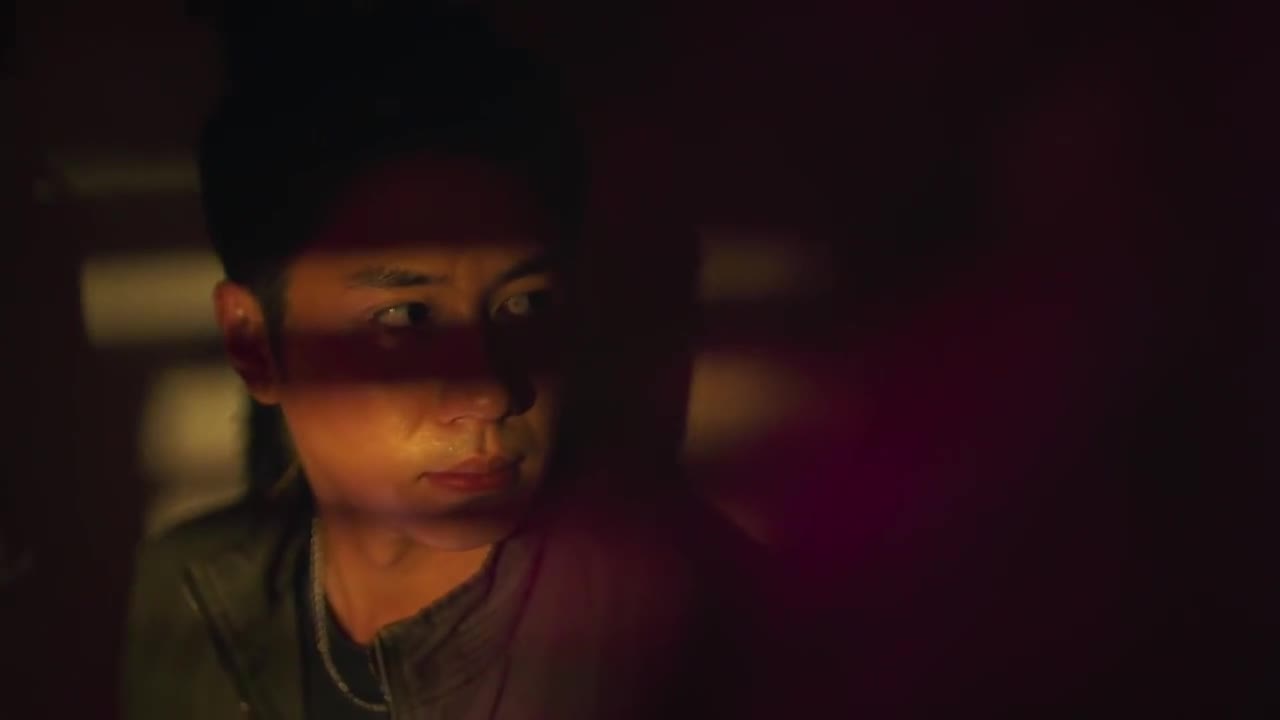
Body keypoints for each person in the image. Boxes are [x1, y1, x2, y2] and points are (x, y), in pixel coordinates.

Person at [121, 7, 759, 720]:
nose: (489, 393)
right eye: (405, 318)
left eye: (524, 305)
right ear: (254, 343)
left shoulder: (698, 628)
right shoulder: (183, 592)